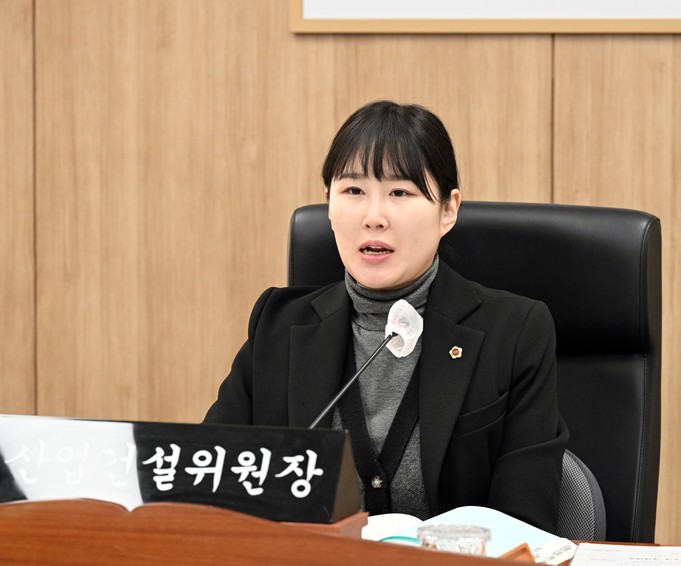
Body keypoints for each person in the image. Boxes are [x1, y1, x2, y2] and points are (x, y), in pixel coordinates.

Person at [204, 100, 568, 532]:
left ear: (448, 210)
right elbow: (209, 491)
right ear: (328, 204)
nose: (373, 217)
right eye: (353, 191)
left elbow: (523, 527)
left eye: (400, 193)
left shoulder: (514, 332)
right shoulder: (277, 326)